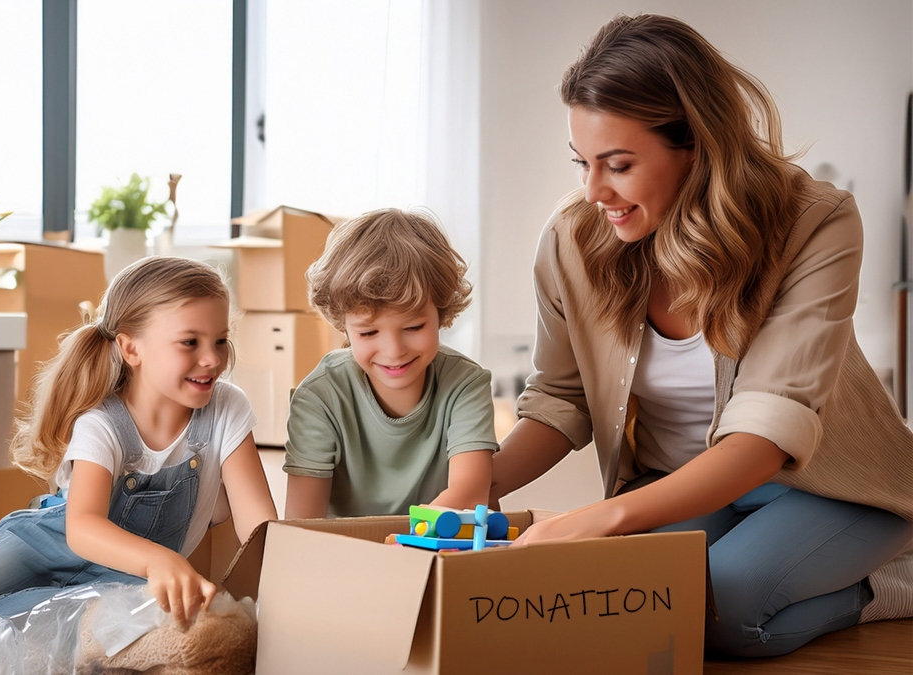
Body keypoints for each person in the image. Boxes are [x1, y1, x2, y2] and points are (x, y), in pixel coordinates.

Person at [488, 13, 913, 658]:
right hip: (677, 479)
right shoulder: (574, 237)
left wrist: (597, 517)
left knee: (721, 605)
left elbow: (764, 437)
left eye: (619, 164)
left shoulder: (815, 221)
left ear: (696, 145)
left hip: (832, 487)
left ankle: (877, 587)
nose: (594, 190)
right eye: (582, 163)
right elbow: (560, 397)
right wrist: (480, 481)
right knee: (625, 597)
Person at [0, 256, 277, 624]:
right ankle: (40, 611)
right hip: (50, 543)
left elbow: (260, 529)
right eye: (190, 342)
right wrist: (161, 559)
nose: (212, 358)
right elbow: (82, 527)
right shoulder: (102, 422)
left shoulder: (228, 407)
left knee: (111, 623)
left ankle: (35, 613)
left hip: (126, 577)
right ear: (131, 349)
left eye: (221, 340)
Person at [283, 208, 498, 519]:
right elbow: (302, 522)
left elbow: (470, 493)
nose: (393, 350)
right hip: (344, 555)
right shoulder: (320, 396)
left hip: (433, 552)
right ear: (343, 325)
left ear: (441, 313)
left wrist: (401, 550)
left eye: (413, 328)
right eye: (369, 332)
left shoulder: (465, 383)